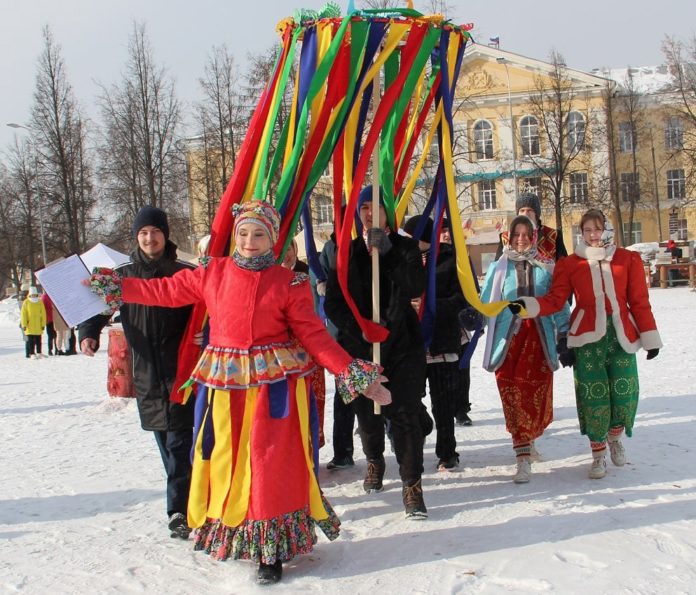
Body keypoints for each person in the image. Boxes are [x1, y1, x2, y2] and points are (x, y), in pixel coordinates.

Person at [87, 200, 390, 585]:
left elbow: (314, 336)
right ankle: (232, 533)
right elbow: (164, 291)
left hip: (272, 392)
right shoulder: (212, 272)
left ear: (273, 240)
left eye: (259, 234)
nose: (250, 241)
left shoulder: (288, 283)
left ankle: (271, 550)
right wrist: (118, 286)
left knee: (267, 466)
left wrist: (352, 372)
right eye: (244, 233)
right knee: (228, 463)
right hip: (224, 391)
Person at [510, 209, 662, 479]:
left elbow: (639, 302)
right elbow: (556, 300)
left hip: (621, 337)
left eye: (597, 229)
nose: (593, 235)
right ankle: (598, 455)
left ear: (606, 229)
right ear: (582, 233)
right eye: (587, 230)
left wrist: (650, 337)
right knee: (594, 397)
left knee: (624, 395)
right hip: (586, 338)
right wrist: (528, 306)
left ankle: (615, 437)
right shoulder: (570, 264)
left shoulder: (628, 260)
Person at [79, 205, 197, 539]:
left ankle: (179, 509)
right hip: (145, 371)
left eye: (155, 231)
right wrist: (88, 333)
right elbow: (99, 308)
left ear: (165, 235)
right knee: (164, 439)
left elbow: (207, 309)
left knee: (177, 440)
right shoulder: (123, 276)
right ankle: (187, 498)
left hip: (181, 369)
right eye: (143, 232)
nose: (149, 237)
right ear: (136, 237)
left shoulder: (182, 272)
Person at [324, 187, 428, 519]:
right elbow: (333, 304)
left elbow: (415, 287)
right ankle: (374, 461)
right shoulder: (347, 252)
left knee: (406, 416)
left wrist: (388, 254)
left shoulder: (406, 248)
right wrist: (361, 330)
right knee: (367, 416)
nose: (369, 214)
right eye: (363, 207)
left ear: (388, 212)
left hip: (402, 348)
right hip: (359, 350)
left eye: (376, 207)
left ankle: (412, 484)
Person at [478, 216, 570, 483]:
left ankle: (529, 439)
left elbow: (559, 303)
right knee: (513, 399)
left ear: (534, 236)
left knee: (537, 400)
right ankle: (522, 456)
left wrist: (564, 335)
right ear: (509, 236)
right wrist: (475, 316)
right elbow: (486, 303)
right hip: (508, 344)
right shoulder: (498, 268)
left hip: (540, 343)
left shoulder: (547, 267)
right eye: (516, 234)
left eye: (525, 234)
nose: (521, 239)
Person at [403, 214, 467, 471]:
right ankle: (422, 427)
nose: (406, 241)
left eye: (410, 236)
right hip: (411, 344)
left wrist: (430, 307)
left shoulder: (450, 259)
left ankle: (447, 452)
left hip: (442, 341)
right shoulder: (403, 261)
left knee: (443, 403)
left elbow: (460, 299)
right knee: (408, 400)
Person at [318, 231, 357, 471]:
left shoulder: (373, 241)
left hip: (378, 332)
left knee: (383, 389)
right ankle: (343, 451)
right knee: (345, 396)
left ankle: (398, 436)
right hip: (343, 335)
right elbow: (328, 299)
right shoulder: (331, 248)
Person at [440, 218, 475, 426]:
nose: (446, 234)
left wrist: (473, 313)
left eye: (449, 231)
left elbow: (471, 288)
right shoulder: (429, 257)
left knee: (462, 367)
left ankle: (461, 409)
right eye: (442, 231)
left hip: (459, 320)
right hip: (438, 320)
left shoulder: (461, 257)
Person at [496, 193, 568, 262]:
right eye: (522, 210)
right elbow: (498, 268)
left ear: (536, 214)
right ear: (518, 214)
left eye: (530, 210)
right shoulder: (506, 237)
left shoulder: (553, 235)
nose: (526, 214)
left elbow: (563, 266)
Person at [21, 286, 47, 359]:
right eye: (32, 295)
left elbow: (43, 314)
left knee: (39, 340)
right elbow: (24, 314)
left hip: (38, 325)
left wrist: (43, 324)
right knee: (31, 341)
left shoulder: (39, 302)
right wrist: (24, 324)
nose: (33, 296)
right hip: (30, 325)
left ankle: (39, 352)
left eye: (35, 295)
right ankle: (32, 353)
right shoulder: (26, 302)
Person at [42, 291, 57, 355]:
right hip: (49, 320)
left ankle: (57, 349)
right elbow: (42, 308)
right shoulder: (45, 297)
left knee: (56, 335)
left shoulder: (54, 296)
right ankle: (50, 350)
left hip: (56, 319)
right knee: (50, 336)